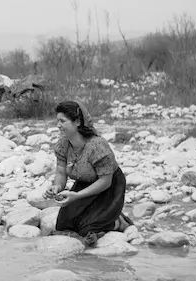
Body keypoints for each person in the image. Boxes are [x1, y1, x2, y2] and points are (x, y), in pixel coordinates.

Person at [44, 100, 133, 246]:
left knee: (87, 229)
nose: (58, 125)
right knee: (64, 224)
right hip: (84, 183)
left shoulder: (97, 146)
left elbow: (106, 181)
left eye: (62, 121)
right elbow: (61, 172)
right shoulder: (63, 145)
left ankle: (118, 222)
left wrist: (77, 196)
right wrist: (57, 187)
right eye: (57, 121)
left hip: (109, 187)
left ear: (77, 122)